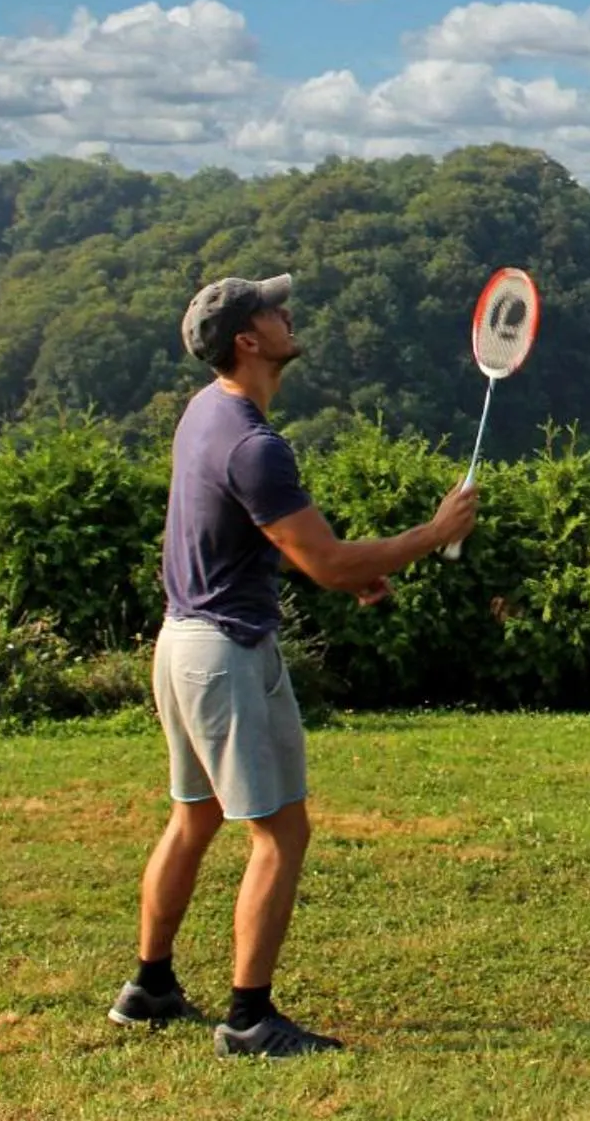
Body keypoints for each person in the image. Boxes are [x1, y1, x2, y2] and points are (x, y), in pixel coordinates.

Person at [109, 273, 476, 1056]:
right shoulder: (254, 442)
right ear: (248, 338)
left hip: (179, 642)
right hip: (227, 657)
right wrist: (430, 530)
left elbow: (282, 544)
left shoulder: (207, 413)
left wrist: (345, 566)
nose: (286, 315)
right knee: (281, 833)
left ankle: (150, 985)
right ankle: (248, 1018)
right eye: (272, 310)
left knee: (195, 814)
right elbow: (327, 559)